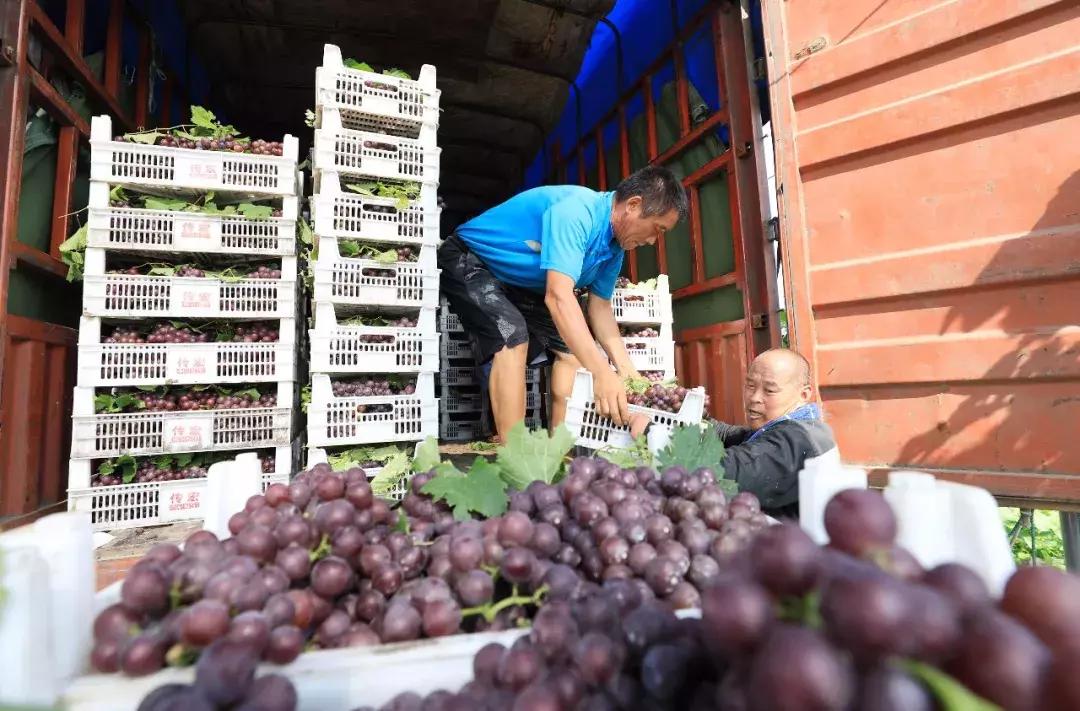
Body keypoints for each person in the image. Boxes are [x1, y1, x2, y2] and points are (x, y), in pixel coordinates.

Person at [439, 166, 688, 442]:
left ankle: (561, 447)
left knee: (573, 355)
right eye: (657, 229)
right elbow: (558, 297)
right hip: (470, 258)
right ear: (633, 205)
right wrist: (603, 373)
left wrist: (627, 371)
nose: (653, 241)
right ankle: (515, 453)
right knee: (513, 337)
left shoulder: (615, 249)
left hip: (519, 284)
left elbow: (600, 308)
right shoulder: (577, 212)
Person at [630, 348, 836, 517]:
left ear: (803, 394)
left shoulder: (796, 441)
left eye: (770, 390)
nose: (755, 397)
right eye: (750, 385)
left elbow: (724, 470)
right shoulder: (798, 427)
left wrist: (651, 433)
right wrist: (696, 422)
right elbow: (733, 436)